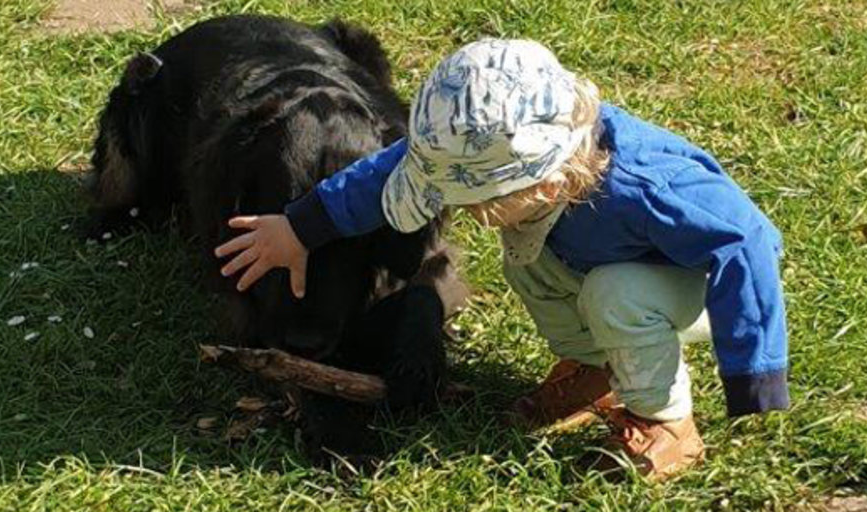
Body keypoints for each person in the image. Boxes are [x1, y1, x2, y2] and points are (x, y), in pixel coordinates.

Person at [214, 38, 789, 478]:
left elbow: (745, 245)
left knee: (616, 295)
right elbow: (382, 177)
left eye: (476, 200)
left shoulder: (650, 188)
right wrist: (300, 228)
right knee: (528, 259)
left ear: (540, 184)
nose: (466, 212)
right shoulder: (511, 165)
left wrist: (754, 373)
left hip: (696, 286)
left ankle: (664, 420)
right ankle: (595, 370)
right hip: (604, 262)